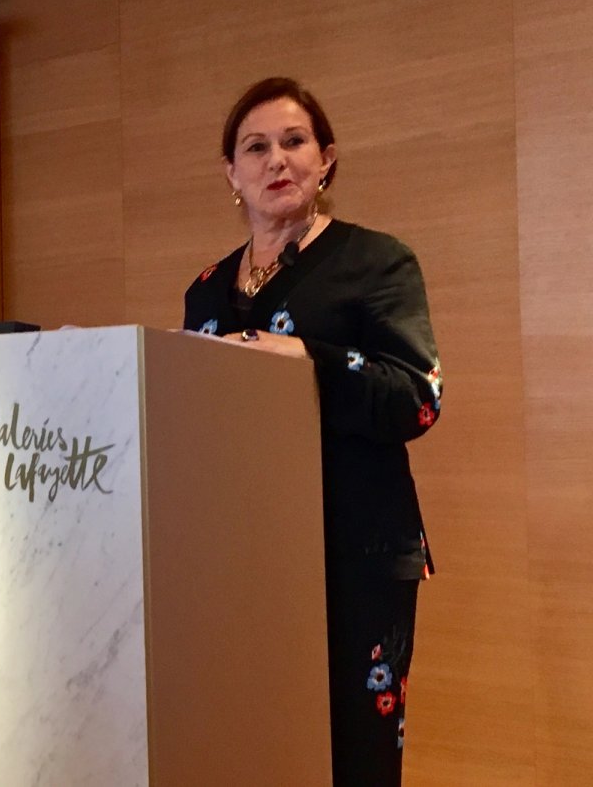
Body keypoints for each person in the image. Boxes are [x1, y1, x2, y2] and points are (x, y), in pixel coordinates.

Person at [182, 77, 442, 786]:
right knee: (254, 749)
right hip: (241, 558)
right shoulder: (204, 290)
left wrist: (308, 359)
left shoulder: (377, 261)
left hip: (357, 550)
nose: (276, 159)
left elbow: (417, 397)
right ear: (231, 173)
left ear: (325, 158)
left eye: (294, 141)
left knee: (355, 757)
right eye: (255, 147)